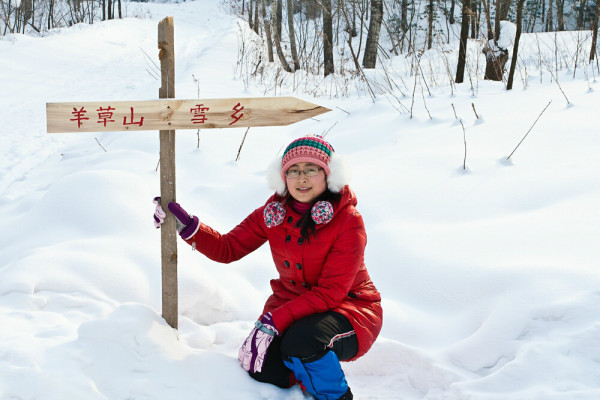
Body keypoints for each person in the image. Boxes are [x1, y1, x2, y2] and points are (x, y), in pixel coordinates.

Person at [154, 135, 383, 400]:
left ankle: (336, 396)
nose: (302, 178)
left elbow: (330, 292)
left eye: (311, 169)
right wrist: (186, 226)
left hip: (350, 310)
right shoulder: (274, 212)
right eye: (293, 171)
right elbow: (228, 248)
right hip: (293, 307)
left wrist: (275, 320)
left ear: (328, 175)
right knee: (262, 368)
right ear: (283, 177)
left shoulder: (347, 220)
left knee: (301, 342)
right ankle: (307, 375)